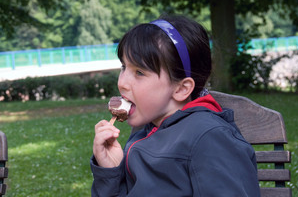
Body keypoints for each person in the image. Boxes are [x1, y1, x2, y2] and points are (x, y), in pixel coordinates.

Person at [91, 15, 260, 196]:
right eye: (124, 67)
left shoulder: (209, 137)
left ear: (181, 89)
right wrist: (111, 172)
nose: (122, 82)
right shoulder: (144, 132)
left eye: (139, 72)